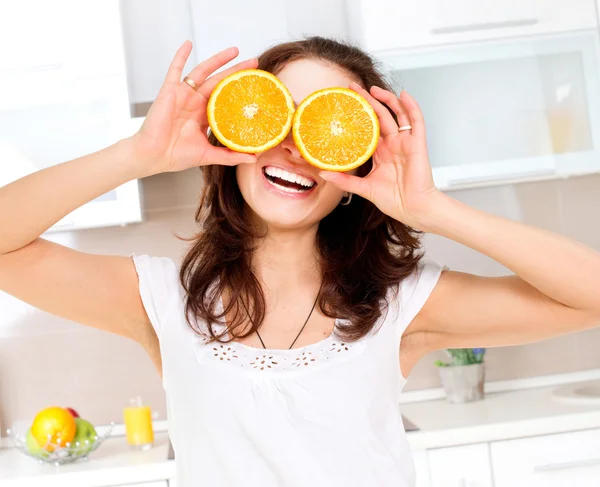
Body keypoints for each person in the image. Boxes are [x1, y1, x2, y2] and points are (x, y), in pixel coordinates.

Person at [1, 36, 599, 486]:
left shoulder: (403, 306)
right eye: (274, 114)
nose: (292, 145)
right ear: (235, 139)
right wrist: (137, 154)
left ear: (357, 166)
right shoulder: (161, 300)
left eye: (327, 126)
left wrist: (432, 208)